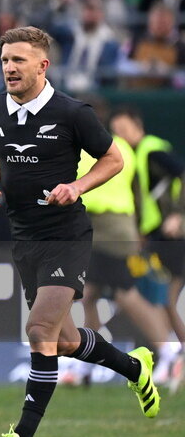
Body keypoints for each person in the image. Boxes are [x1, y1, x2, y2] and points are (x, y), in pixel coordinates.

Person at [0, 26, 158, 437]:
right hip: (25, 238)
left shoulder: (73, 112)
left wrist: (77, 187)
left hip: (66, 236)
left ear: (43, 65)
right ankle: (135, 369)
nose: (9, 68)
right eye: (4, 60)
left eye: (19, 60)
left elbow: (114, 159)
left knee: (39, 331)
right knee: (65, 339)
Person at [66, 129, 175, 386]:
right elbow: (136, 190)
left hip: (106, 231)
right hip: (120, 228)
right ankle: (88, 363)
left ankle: (170, 352)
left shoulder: (82, 150)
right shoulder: (122, 147)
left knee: (124, 292)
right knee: (89, 294)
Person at [109, 106, 185, 388]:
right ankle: (171, 357)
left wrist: (179, 213)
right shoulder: (132, 155)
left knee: (168, 297)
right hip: (155, 235)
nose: (122, 135)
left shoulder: (152, 151)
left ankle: (175, 355)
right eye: (117, 131)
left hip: (172, 235)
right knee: (162, 298)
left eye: (125, 129)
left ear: (137, 125)